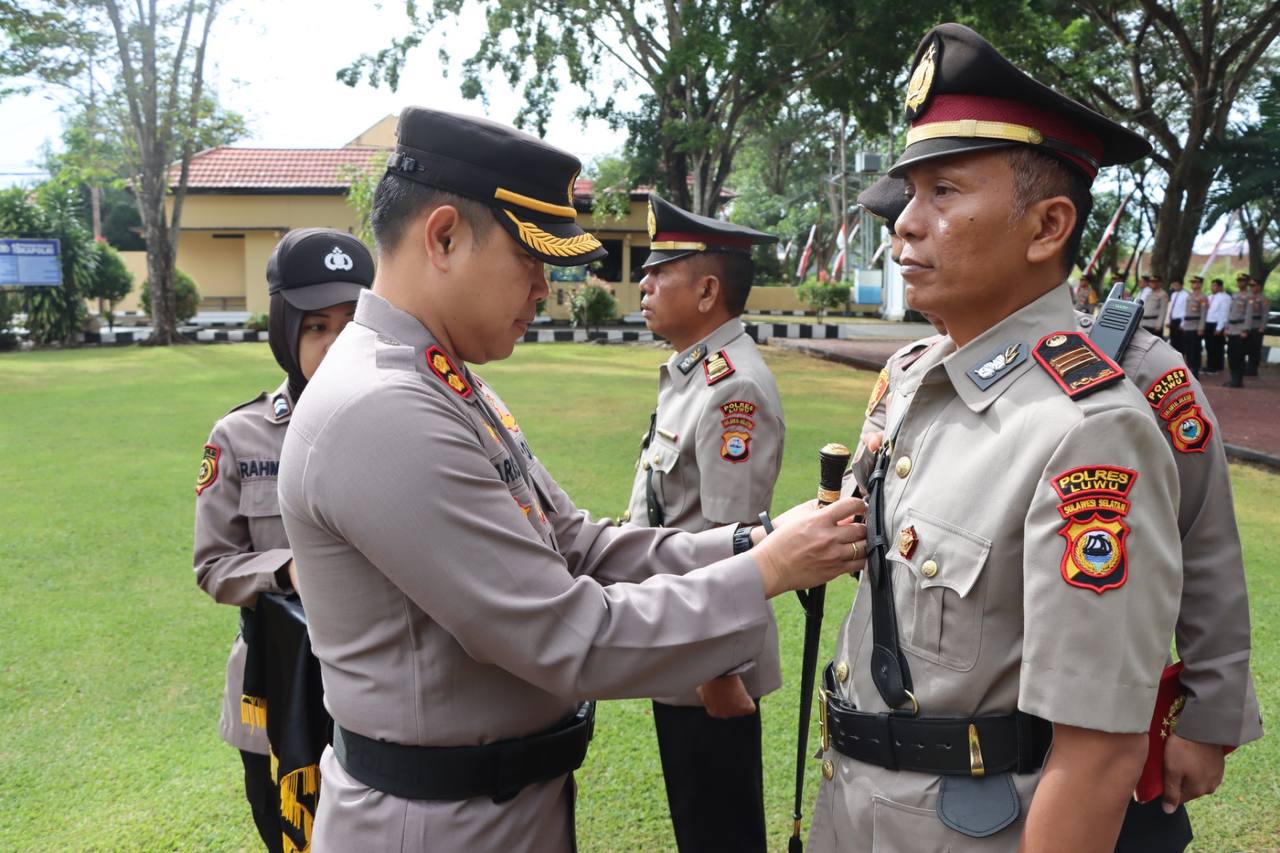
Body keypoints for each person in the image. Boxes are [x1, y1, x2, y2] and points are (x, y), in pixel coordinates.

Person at [275, 107, 868, 853]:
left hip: (493, 806)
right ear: (445, 237)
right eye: (533, 262)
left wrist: (753, 537)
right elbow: (564, 632)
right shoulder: (381, 407)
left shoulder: (444, 383)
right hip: (435, 824)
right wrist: (765, 570)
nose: (544, 290)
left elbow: (577, 544)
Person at [806, 24, 1183, 852]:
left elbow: (1097, 753)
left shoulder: (1086, 430)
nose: (904, 224)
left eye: (944, 192)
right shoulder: (916, 385)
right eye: (910, 193)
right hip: (855, 811)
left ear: (1047, 227)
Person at [193, 227, 374, 852]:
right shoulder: (240, 436)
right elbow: (214, 565)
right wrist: (289, 569)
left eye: (352, 324)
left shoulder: (404, 426)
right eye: (316, 327)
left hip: (381, 686)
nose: (335, 344)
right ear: (283, 330)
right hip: (278, 680)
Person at [622, 193, 783, 853]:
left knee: (720, 832)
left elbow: (732, 542)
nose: (644, 282)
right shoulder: (692, 375)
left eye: (660, 271)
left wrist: (718, 671)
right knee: (700, 824)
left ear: (708, 289)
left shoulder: (730, 388)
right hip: (683, 642)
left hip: (709, 665)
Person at [1223, 274, 1250, 387]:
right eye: (1238, 281)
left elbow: (1249, 314)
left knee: (1239, 355)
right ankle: (1233, 378)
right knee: (1231, 355)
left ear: (1247, 282)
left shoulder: (1249, 296)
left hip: (1240, 329)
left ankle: (1238, 380)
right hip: (1232, 328)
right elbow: (1230, 312)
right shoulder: (1235, 295)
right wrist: (1227, 326)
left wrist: (1245, 329)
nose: (1240, 283)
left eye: (1242, 281)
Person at [1181, 276, 1208, 377]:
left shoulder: (1202, 297)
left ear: (1200, 284)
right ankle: (1189, 368)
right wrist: (1183, 324)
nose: (1193, 285)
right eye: (1192, 282)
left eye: (1195, 283)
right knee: (1188, 349)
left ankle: (1195, 370)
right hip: (1188, 325)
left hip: (1196, 326)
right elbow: (1186, 312)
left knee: (1195, 349)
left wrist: (1201, 327)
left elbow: (1203, 313)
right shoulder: (1189, 296)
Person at [1204, 278, 1230, 374]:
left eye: (1214, 286)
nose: (1212, 288)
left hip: (1217, 323)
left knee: (1216, 347)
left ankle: (1216, 366)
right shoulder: (1210, 297)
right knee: (1209, 346)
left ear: (1220, 287)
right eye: (1212, 286)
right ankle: (1210, 365)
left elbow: (1224, 313)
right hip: (1208, 323)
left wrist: (1219, 327)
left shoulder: (1225, 298)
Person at [1245, 276, 1269, 376]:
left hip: (1257, 325)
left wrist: (1262, 327)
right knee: (1246, 347)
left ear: (1259, 286)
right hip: (1247, 325)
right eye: (1250, 285)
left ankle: (1253, 368)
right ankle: (1246, 367)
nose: (1251, 287)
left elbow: (1265, 314)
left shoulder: (1263, 299)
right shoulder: (1247, 296)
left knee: (1255, 349)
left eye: (1253, 285)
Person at [1167, 278, 1186, 351]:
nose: (1174, 287)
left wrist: (1183, 323)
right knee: (1173, 341)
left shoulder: (1186, 295)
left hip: (1180, 320)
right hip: (1173, 320)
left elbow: (1185, 310)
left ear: (1181, 285)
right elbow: (1172, 308)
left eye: (1176, 285)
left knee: (1180, 342)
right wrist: (1169, 320)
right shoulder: (1173, 294)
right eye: (1173, 285)